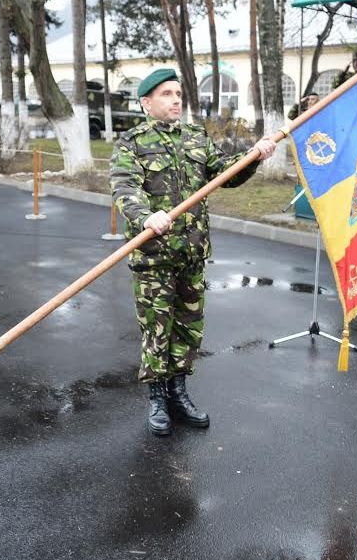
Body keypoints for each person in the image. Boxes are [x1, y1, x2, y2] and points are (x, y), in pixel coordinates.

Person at [110, 68, 276, 437]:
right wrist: (146, 215)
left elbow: (226, 174)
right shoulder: (132, 143)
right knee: (157, 329)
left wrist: (255, 157)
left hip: (191, 253)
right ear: (146, 103)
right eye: (166, 94)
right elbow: (124, 189)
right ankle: (156, 397)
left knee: (188, 327)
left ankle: (178, 392)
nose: (175, 100)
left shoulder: (195, 138)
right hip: (154, 255)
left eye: (177, 94)